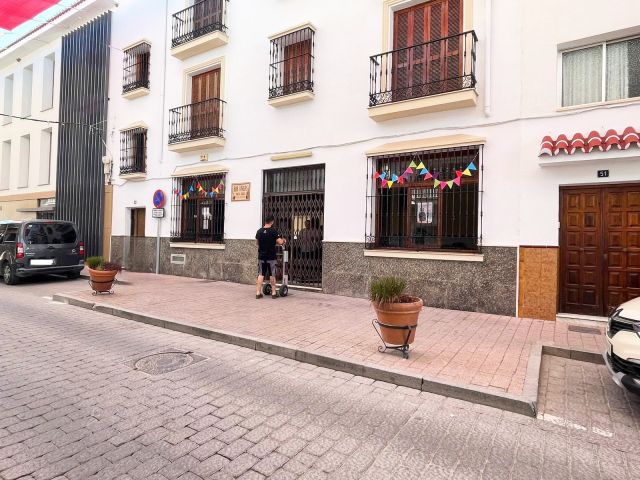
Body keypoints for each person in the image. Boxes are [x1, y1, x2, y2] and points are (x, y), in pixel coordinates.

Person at [255, 214, 285, 299]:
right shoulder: (273, 231)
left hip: (262, 256)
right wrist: (284, 240)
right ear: (272, 221)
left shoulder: (259, 231)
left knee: (261, 274)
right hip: (271, 257)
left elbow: (257, 243)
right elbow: (280, 242)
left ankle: (258, 293)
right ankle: (274, 293)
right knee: (272, 275)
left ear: (265, 221)